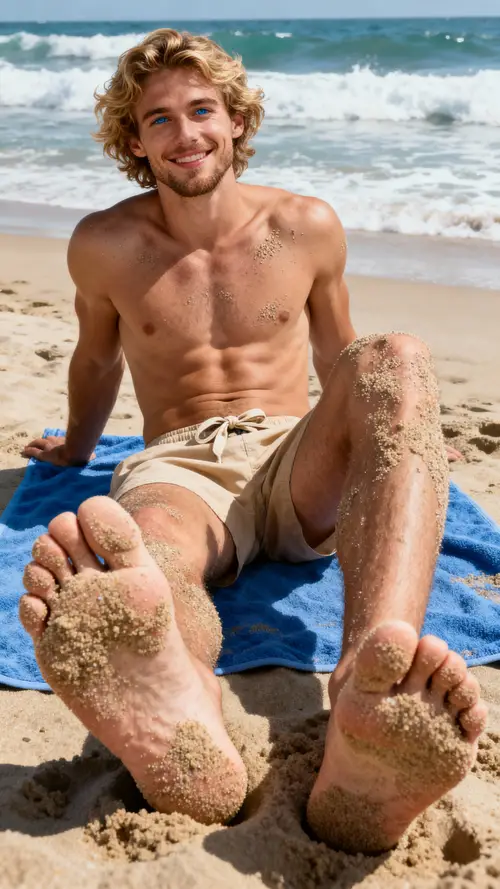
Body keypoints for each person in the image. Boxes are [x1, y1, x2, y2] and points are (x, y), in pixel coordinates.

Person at [19, 29, 486, 854]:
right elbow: (95, 360)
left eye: (202, 110)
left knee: (397, 360)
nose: (185, 132)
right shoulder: (104, 243)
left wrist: (384, 433)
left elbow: (344, 363)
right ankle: (180, 695)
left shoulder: (306, 225)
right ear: (133, 140)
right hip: (179, 463)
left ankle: (369, 689)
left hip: (292, 453)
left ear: (236, 119)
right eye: (158, 119)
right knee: (144, 559)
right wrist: (75, 448)